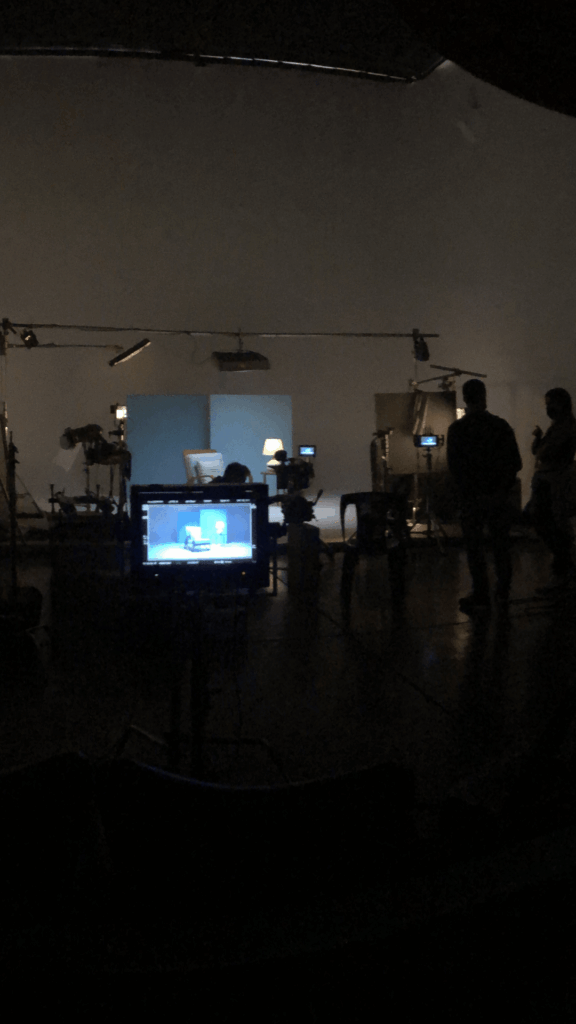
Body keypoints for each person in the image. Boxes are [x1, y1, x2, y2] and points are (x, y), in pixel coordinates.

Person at [447, 378, 522, 614]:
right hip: (498, 497)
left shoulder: (457, 430)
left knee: (474, 548)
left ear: (465, 399)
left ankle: (481, 594)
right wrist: (501, 490)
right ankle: (503, 592)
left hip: (471, 499)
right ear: (484, 396)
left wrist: (467, 493)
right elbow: (515, 463)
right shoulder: (500, 426)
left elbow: (455, 468)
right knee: (501, 545)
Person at [528, 387, 576, 591]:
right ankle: (564, 570)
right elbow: (539, 452)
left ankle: (562, 570)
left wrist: (541, 444)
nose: (548, 408)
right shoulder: (558, 426)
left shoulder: (565, 428)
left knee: (550, 525)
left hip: (554, 484)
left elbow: (545, 453)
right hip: (550, 482)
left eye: (550, 404)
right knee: (550, 525)